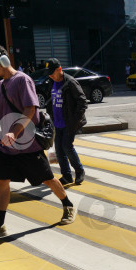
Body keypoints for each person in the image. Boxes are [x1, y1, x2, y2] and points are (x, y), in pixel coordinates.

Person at [0, 44, 76, 237]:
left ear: (4, 61)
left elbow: (30, 110)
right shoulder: (0, 84)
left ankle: (68, 205)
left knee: (48, 179)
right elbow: (4, 113)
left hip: (27, 145)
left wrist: (14, 132)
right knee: (1, 183)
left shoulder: (22, 80)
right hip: (6, 146)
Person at [44, 58, 88, 186]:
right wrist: (49, 117)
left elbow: (82, 102)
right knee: (59, 150)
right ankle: (67, 176)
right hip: (56, 123)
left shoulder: (70, 82)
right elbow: (49, 101)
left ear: (59, 69)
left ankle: (79, 171)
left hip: (69, 123)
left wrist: (74, 121)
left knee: (67, 147)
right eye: (49, 74)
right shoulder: (51, 82)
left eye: (52, 73)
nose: (51, 76)